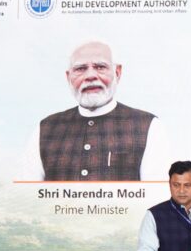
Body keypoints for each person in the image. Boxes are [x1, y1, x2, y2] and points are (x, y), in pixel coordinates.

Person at [23, 41, 169, 181]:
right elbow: (26, 193)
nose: (90, 76)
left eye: (100, 67)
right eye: (80, 69)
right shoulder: (45, 128)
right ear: (68, 77)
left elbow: (156, 194)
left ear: (117, 73)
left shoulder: (149, 126)